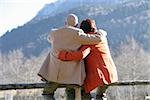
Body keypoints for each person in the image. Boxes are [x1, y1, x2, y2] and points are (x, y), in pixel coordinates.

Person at [38, 14, 104, 100]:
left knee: (47, 93)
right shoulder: (78, 34)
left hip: (55, 74)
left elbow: (49, 38)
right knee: (71, 93)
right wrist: (101, 33)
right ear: (76, 25)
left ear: (65, 23)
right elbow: (97, 39)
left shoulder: (54, 33)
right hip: (72, 75)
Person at [58, 19, 118, 100]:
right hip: (110, 73)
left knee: (84, 93)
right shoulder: (101, 38)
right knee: (100, 95)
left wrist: (63, 55)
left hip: (99, 75)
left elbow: (80, 55)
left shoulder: (89, 41)